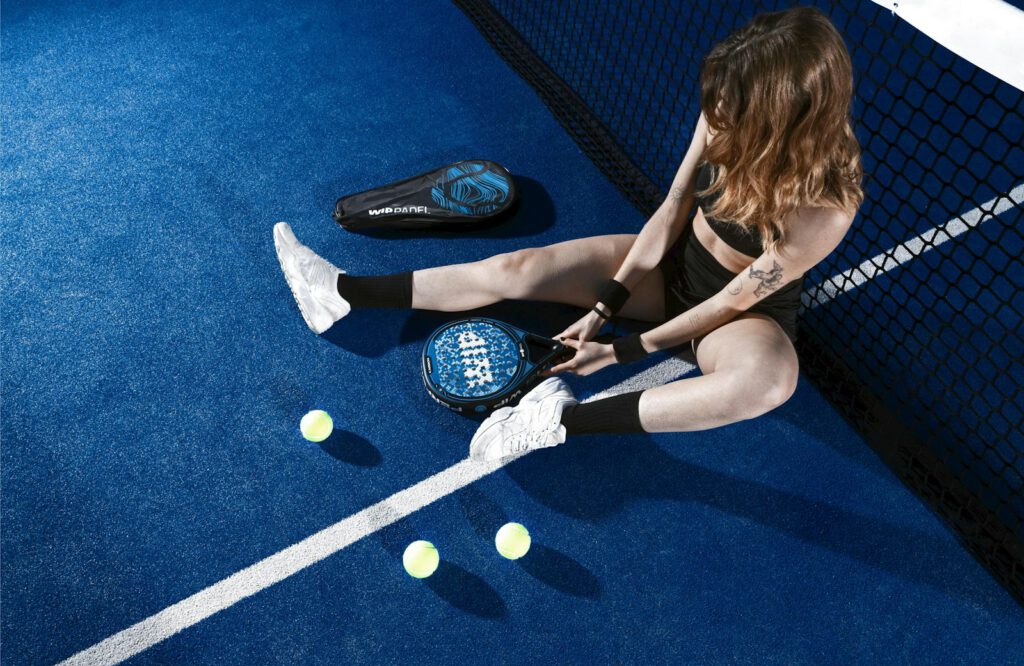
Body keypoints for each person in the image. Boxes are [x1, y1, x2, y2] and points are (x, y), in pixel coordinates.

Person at [273, 5, 864, 462]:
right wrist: (609, 303)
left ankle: (554, 421)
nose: (716, 114)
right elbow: (673, 207)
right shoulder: (723, 110)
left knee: (767, 384)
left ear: (782, 117)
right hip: (671, 268)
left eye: (735, 108)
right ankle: (343, 294)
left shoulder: (826, 207)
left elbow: (731, 301)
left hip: (739, 317)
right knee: (520, 270)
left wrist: (618, 351)